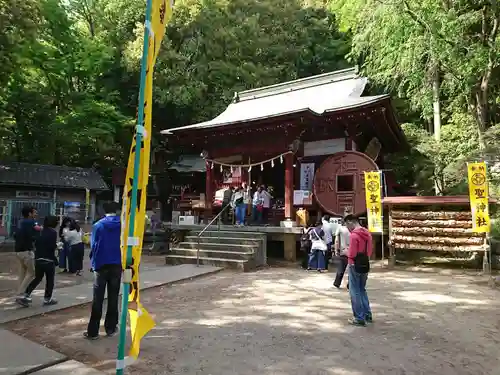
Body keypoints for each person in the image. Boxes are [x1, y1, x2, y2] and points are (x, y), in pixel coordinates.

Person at [85, 202, 122, 339]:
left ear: (103, 210)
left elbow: (94, 246)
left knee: (98, 299)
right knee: (113, 297)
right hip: (117, 264)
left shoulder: (98, 225)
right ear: (117, 210)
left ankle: (93, 331)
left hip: (100, 265)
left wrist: (93, 262)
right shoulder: (123, 225)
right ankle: (111, 328)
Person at [17, 215, 59, 307]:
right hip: (49, 259)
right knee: (50, 280)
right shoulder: (53, 232)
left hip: (38, 258)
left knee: (37, 278)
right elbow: (51, 247)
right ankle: (47, 299)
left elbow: (37, 243)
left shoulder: (40, 231)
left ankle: (26, 294)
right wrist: (58, 246)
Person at [344, 214, 373, 326]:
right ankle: (367, 314)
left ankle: (359, 317)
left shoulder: (354, 236)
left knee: (354, 290)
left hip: (354, 264)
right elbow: (370, 251)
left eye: (347, 225)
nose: (347, 228)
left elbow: (352, 254)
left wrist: (345, 252)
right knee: (362, 289)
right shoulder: (367, 234)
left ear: (350, 222)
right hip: (365, 264)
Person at [14, 206, 41, 301]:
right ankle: (21, 294)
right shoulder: (31, 222)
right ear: (30, 214)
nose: (36, 214)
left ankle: (19, 291)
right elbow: (38, 229)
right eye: (35, 213)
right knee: (31, 273)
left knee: (23, 273)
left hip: (18, 251)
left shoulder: (20, 222)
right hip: (27, 251)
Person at [333, 218, 351, 289]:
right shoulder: (352, 230)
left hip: (343, 251)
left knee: (341, 268)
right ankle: (350, 284)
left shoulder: (340, 229)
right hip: (352, 251)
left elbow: (337, 241)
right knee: (351, 269)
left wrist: (336, 249)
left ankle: (337, 283)